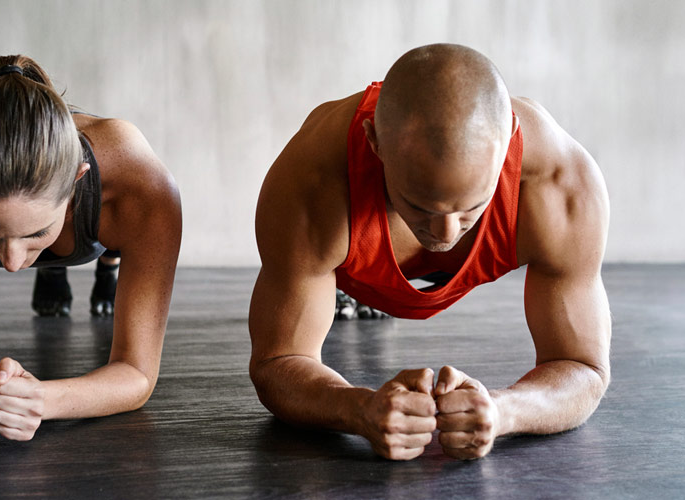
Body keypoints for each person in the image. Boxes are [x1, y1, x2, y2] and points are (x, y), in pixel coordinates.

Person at [248, 44, 611, 460]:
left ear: (509, 141)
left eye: (471, 207)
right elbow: (277, 362)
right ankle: (344, 288)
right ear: (374, 143)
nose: (444, 232)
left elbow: (584, 368)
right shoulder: (312, 181)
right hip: (349, 254)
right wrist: (357, 409)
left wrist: (502, 411)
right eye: (419, 205)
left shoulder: (561, 184)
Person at [0, 55, 181, 440]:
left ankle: (107, 266)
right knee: (45, 257)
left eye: (35, 233)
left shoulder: (140, 185)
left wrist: (41, 399)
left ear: (76, 181)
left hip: (102, 233)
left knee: (109, 250)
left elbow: (137, 373)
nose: (11, 263)